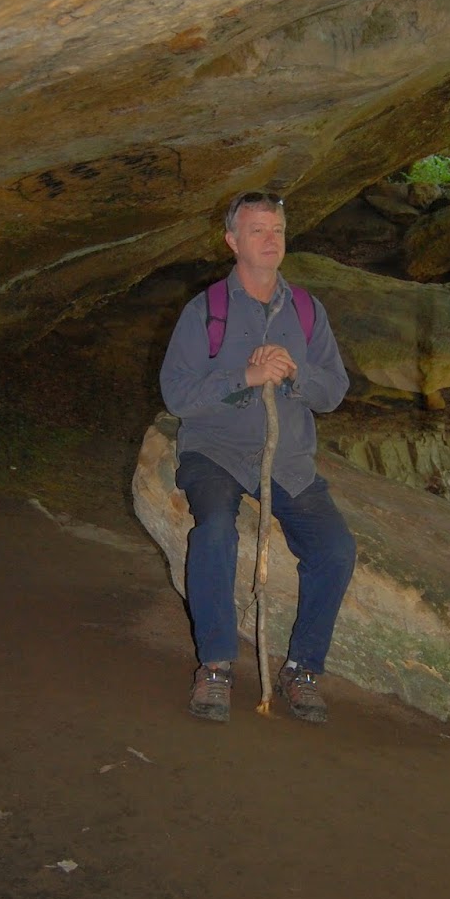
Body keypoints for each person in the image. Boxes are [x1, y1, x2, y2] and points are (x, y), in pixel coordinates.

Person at [159, 190, 356, 724]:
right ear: (232, 241)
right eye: (257, 231)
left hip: (287, 459)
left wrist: (295, 373)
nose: (271, 240)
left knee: (335, 549)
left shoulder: (308, 311)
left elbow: (333, 391)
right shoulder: (206, 312)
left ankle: (302, 668)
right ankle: (216, 664)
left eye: (278, 230)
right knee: (215, 532)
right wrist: (244, 376)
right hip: (216, 452)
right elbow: (177, 394)